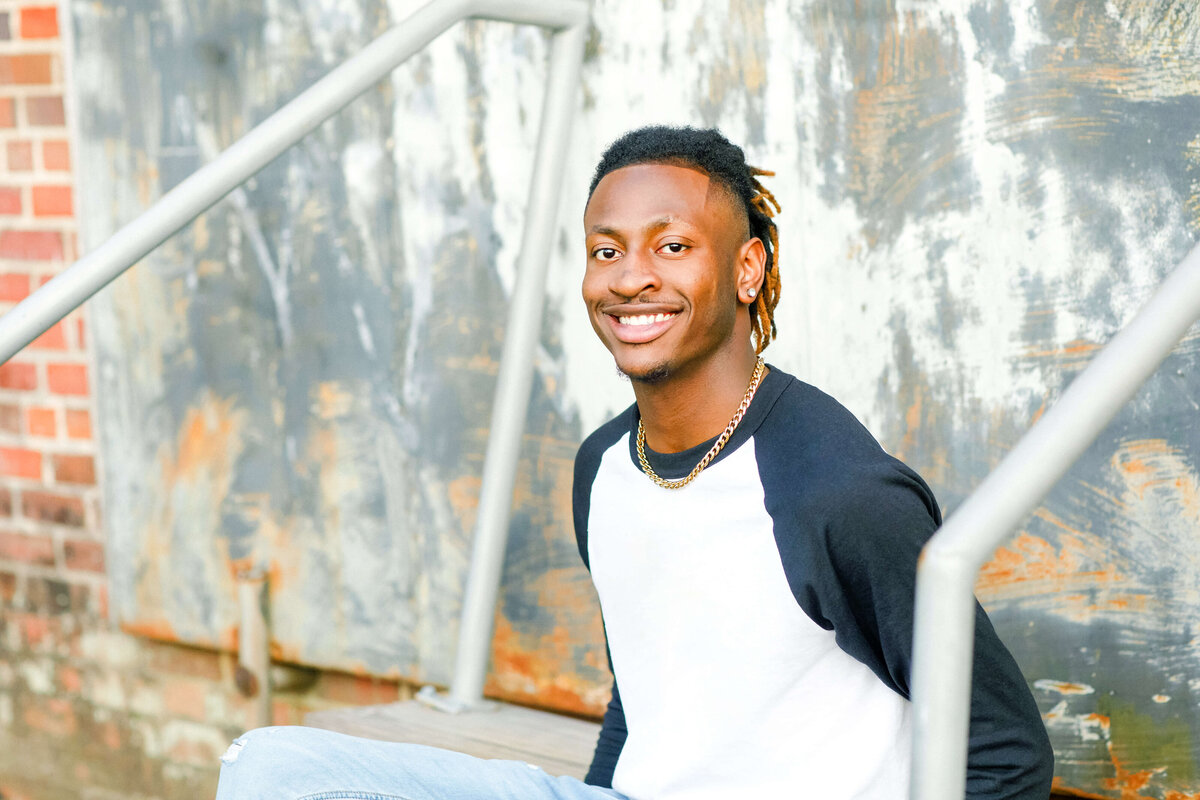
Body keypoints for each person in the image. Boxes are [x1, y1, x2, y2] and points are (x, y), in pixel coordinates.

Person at [214, 126, 1054, 799]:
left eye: (672, 246)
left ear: (747, 268)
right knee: (270, 769)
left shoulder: (833, 491)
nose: (629, 279)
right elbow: (645, 699)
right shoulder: (604, 466)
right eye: (606, 251)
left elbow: (1006, 754)